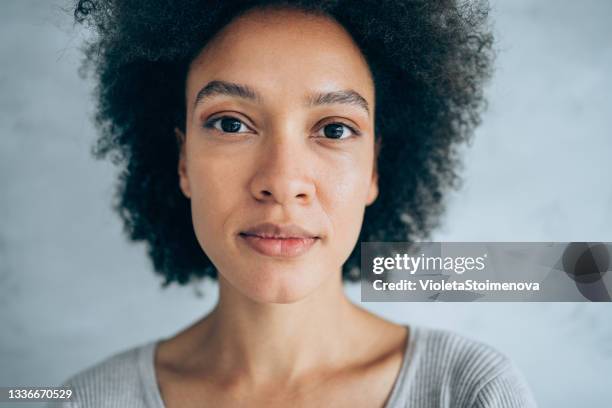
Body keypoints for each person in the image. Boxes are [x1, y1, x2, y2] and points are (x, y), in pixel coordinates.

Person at [54, 0, 537, 406]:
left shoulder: (470, 390)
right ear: (183, 161)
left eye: (333, 129)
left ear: (373, 168)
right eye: (230, 123)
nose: (282, 182)